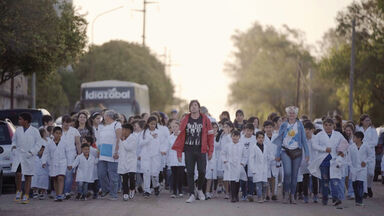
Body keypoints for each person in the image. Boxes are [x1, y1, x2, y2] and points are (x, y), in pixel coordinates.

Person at [172, 100, 214, 203]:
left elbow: (210, 136)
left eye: (195, 105)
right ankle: (191, 194)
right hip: (188, 150)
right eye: (192, 106)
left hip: (201, 149)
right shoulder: (185, 119)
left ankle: (199, 189)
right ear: (189, 108)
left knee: (202, 171)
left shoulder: (205, 119)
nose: (193, 107)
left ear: (199, 108)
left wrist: (210, 151)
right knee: (190, 172)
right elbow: (180, 137)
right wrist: (179, 153)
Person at [273, 106, 309, 204]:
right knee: (287, 173)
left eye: (293, 113)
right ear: (287, 114)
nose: (292, 114)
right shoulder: (284, 125)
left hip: (297, 152)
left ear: (296, 114)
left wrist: (307, 153)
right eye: (290, 113)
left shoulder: (300, 125)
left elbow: (304, 140)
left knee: (294, 175)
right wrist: (277, 153)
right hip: (285, 151)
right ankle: (285, 193)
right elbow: (280, 139)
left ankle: (292, 195)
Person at [308, 118, 346, 208]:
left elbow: (344, 143)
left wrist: (341, 151)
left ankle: (335, 198)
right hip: (324, 161)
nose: (328, 127)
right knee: (325, 181)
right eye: (326, 125)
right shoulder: (319, 135)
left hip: (335, 161)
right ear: (323, 126)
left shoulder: (338, 135)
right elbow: (314, 145)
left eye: (330, 125)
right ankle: (325, 198)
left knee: (335, 180)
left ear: (333, 126)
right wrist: (324, 149)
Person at [11, 112, 42, 204]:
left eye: (20, 119)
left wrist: (31, 152)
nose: (19, 121)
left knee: (28, 176)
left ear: (26, 121)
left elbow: (38, 143)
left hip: (29, 156)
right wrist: (13, 148)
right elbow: (14, 141)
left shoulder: (35, 131)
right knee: (18, 174)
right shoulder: (18, 130)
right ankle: (19, 191)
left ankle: (26, 195)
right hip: (19, 155)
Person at [97, 110, 122, 200]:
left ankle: (113, 194)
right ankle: (106, 189)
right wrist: (98, 150)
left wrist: (116, 152)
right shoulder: (103, 126)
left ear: (109, 116)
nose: (103, 116)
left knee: (113, 175)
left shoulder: (117, 125)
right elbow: (100, 140)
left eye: (104, 115)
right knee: (101, 174)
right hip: (102, 153)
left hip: (112, 154)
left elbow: (119, 139)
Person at [139, 116, 164, 198]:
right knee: (146, 173)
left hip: (155, 156)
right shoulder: (143, 133)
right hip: (146, 156)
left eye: (154, 124)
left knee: (154, 173)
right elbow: (141, 143)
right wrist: (150, 137)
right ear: (148, 124)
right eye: (151, 124)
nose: (153, 125)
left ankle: (156, 185)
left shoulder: (159, 132)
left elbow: (162, 143)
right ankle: (147, 190)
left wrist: (162, 150)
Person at [356, 114, 378, 198]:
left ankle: (369, 186)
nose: (368, 122)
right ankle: (364, 191)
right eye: (366, 120)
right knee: (363, 173)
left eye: (369, 120)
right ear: (362, 121)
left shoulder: (373, 130)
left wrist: (364, 145)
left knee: (371, 173)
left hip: (371, 154)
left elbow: (375, 142)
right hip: (361, 154)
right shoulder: (358, 129)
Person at [42, 127, 67, 202]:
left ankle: (60, 195)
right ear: (53, 134)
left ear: (61, 134)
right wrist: (43, 162)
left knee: (60, 177)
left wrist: (70, 163)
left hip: (62, 162)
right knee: (55, 178)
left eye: (60, 133)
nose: (58, 135)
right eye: (56, 133)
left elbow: (68, 153)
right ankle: (57, 194)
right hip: (52, 163)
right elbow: (45, 153)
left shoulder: (64, 143)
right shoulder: (49, 143)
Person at [61, 115, 81, 199]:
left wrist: (79, 154)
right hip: (60, 155)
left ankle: (67, 192)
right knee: (60, 174)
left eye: (68, 122)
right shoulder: (58, 130)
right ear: (62, 122)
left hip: (71, 154)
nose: (66, 124)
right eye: (65, 122)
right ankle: (59, 192)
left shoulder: (74, 131)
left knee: (69, 174)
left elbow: (78, 143)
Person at [249, 131, 273, 203]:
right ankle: (259, 197)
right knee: (258, 184)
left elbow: (268, 156)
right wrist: (253, 169)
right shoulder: (254, 148)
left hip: (264, 169)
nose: (261, 139)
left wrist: (272, 158)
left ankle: (264, 196)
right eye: (259, 138)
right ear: (256, 138)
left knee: (264, 184)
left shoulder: (266, 147)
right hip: (257, 169)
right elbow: (251, 159)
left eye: (262, 138)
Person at [222, 130, 245, 202]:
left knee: (237, 181)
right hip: (230, 165)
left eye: (236, 136)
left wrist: (242, 163)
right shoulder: (228, 145)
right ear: (231, 136)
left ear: (239, 137)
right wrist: (225, 161)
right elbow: (223, 153)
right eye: (233, 136)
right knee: (232, 181)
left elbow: (245, 156)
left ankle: (236, 194)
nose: (235, 137)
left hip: (238, 165)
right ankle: (233, 196)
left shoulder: (242, 145)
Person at [349, 131, 371, 206]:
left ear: (359, 138)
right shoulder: (351, 147)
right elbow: (349, 158)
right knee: (354, 184)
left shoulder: (366, 146)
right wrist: (351, 166)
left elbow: (370, 156)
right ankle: (357, 200)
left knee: (360, 183)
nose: (353, 138)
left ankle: (360, 201)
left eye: (354, 137)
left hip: (362, 168)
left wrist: (365, 161)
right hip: (354, 168)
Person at [117, 123, 137, 201]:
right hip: (123, 161)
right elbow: (120, 149)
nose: (122, 131)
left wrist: (123, 141)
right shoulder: (122, 138)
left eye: (123, 130)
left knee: (132, 177)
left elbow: (129, 148)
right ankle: (125, 193)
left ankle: (132, 189)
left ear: (128, 130)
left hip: (131, 161)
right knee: (124, 178)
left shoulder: (133, 138)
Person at [168, 120, 185, 198]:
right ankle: (174, 191)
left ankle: (180, 190)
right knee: (174, 175)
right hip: (173, 158)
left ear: (179, 127)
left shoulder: (183, 136)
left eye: (176, 126)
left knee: (180, 175)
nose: (174, 128)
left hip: (181, 158)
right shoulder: (170, 137)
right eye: (173, 127)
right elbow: (169, 148)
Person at [31, 128, 50, 200]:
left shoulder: (49, 140)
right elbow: (39, 152)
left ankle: (42, 191)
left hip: (46, 161)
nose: (47, 132)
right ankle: (35, 191)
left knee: (44, 177)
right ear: (43, 133)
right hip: (38, 161)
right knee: (36, 176)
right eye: (46, 131)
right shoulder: (39, 141)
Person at [239, 123, 256, 201]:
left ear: (253, 131)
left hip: (252, 161)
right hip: (243, 161)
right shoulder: (241, 138)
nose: (249, 132)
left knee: (251, 178)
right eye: (247, 130)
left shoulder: (254, 139)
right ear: (244, 130)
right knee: (243, 178)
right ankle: (244, 194)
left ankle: (250, 194)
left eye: (250, 131)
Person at [303, 121, 319, 203]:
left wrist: (311, 138)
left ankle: (315, 195)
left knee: (314, 179)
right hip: (305, 161)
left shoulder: (316, 138)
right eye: (305, 129)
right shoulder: (302, 139)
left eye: (309, 129)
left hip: (314, 161)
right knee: (305, 179)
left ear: (312, 130)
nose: (307, 131)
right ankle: (305, 196)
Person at [263, 120, 278, 201]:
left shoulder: (277, 136)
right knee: (266, 177)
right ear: (264, 128)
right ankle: (267, 194)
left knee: (273, 177)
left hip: (275, 160)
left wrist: (277, 157)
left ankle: (273, 193)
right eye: (267, 127)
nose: (268, 129)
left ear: (273, 128)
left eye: (270, 127)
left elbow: (279, 147)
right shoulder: (263, 137)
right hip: (266, 160)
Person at [205, 122, 219, 199]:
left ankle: (209, 191)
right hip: (208, 157)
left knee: (212, 175)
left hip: (216, 158)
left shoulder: (219, 137)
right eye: (213, 127)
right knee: (207, 175)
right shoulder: (207, 137)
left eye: (216, 127)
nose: (214, 129)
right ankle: (205, 191)